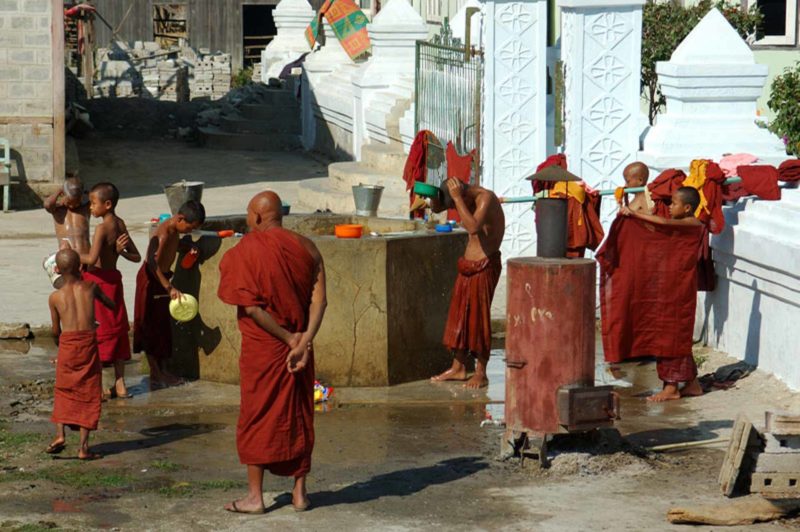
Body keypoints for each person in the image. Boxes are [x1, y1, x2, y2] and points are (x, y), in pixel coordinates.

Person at [217, 191, 326, 515]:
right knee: (300, 415)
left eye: (249, 215)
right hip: (301, 350)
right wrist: (304, 340)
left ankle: (255, 497)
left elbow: (251, 308)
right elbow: (320, 302)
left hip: (266, 348)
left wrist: (287, 338)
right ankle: (299, 494)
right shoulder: (307, 247)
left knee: (257, 415)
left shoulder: (246, 251)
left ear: (258, 217)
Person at [619, 186, 704, 402]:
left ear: (687, 208)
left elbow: (664, 224)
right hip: (676, 283)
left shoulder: (691, 223)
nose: (669, 206)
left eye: (673, 203)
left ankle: (671, 387)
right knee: (678, 333)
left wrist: (634, 214)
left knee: (669, 333)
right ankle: (692, 384)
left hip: (679, 286)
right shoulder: (684, 223)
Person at [430, 178, 505, 389]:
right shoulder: (466, 200)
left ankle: (481, 372)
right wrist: (434, 200)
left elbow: (472, 227)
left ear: (461, 192)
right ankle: (458, 367)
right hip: (468, 266)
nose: (456, 208)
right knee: (460, 317)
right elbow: (442, 209)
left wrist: (455, 197)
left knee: (478, 319)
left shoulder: (486, 198)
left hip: (484, 265)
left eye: (456, 202)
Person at [46, 249, 115, 460]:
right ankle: (84, 448)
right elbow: (110, 304)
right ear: (80, 267)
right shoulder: (91, 286)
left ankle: (60, 435)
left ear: (56, 270)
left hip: (68, 344)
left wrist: (61, 343)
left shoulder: (55, 297)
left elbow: (55, 330)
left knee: (64, 388)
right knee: (89, 390)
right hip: (88, 343)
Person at [78, 182, 141, 400]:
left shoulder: (101, 228)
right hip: (114, 282)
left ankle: (100, 386)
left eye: (94, 204)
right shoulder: (120, 224)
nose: (91, 208)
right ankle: (120, 384)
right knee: (117, 329)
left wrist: (72, 255)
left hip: (98, 283)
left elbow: (92, 259)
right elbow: (137, 257)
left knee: (98, 331)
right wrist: (121, 253)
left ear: (107, 204)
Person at [133, 200, 205, 388]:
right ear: (180, 218)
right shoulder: (164, 233)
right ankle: (156, 374)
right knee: (149, 328)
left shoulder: (175, 231)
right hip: (151, 281)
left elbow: (171, 249)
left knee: (161, 328)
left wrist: (186, 246)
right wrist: (169, 287)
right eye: (190, 227)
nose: (190, 231)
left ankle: (162, 371)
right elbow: (151, 263)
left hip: (161, 279)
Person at [43, 177, 90, 288]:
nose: (73, 206)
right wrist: (60, 190)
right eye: (70, 202)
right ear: (63, 194)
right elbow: (47, 204)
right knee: (70, 291)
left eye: (76, 202)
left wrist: (84, 192)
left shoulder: (85, 208)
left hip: (85, 257)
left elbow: (96, 197)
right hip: (67, 261)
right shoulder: (58, 210)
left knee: (87, 291)